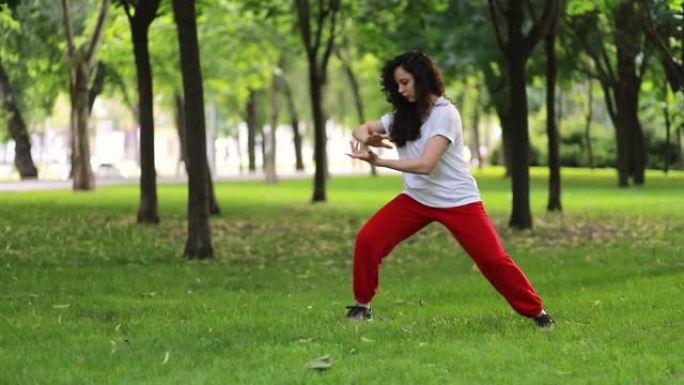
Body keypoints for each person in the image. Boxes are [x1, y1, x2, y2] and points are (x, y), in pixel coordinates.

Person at [345, 51, 554, 329]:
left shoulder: (446, 115)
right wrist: (366, 137)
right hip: (417, 199)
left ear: (421, 78)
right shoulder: (401, 116)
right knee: (368, 240)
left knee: (493, 260)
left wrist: (379, 160)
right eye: (397, 84)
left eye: (405, 82)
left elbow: (425, 164)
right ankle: (362, 306)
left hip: (458, 201)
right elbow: (360, 128)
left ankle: (537, 313)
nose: (401, 89)